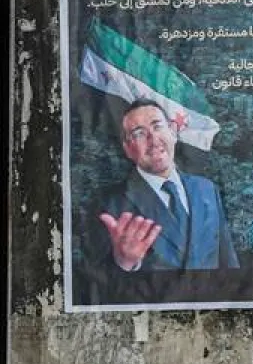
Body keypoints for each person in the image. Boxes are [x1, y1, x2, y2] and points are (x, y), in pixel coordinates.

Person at [95, 99, 239, 273]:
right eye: (139, 133)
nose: (153, 140)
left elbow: (229, 264)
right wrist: (124, 263)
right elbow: (100, 284)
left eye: (157, 126)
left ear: (173, 131)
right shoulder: (110, 205)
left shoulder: (206, 189)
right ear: (127, 149)